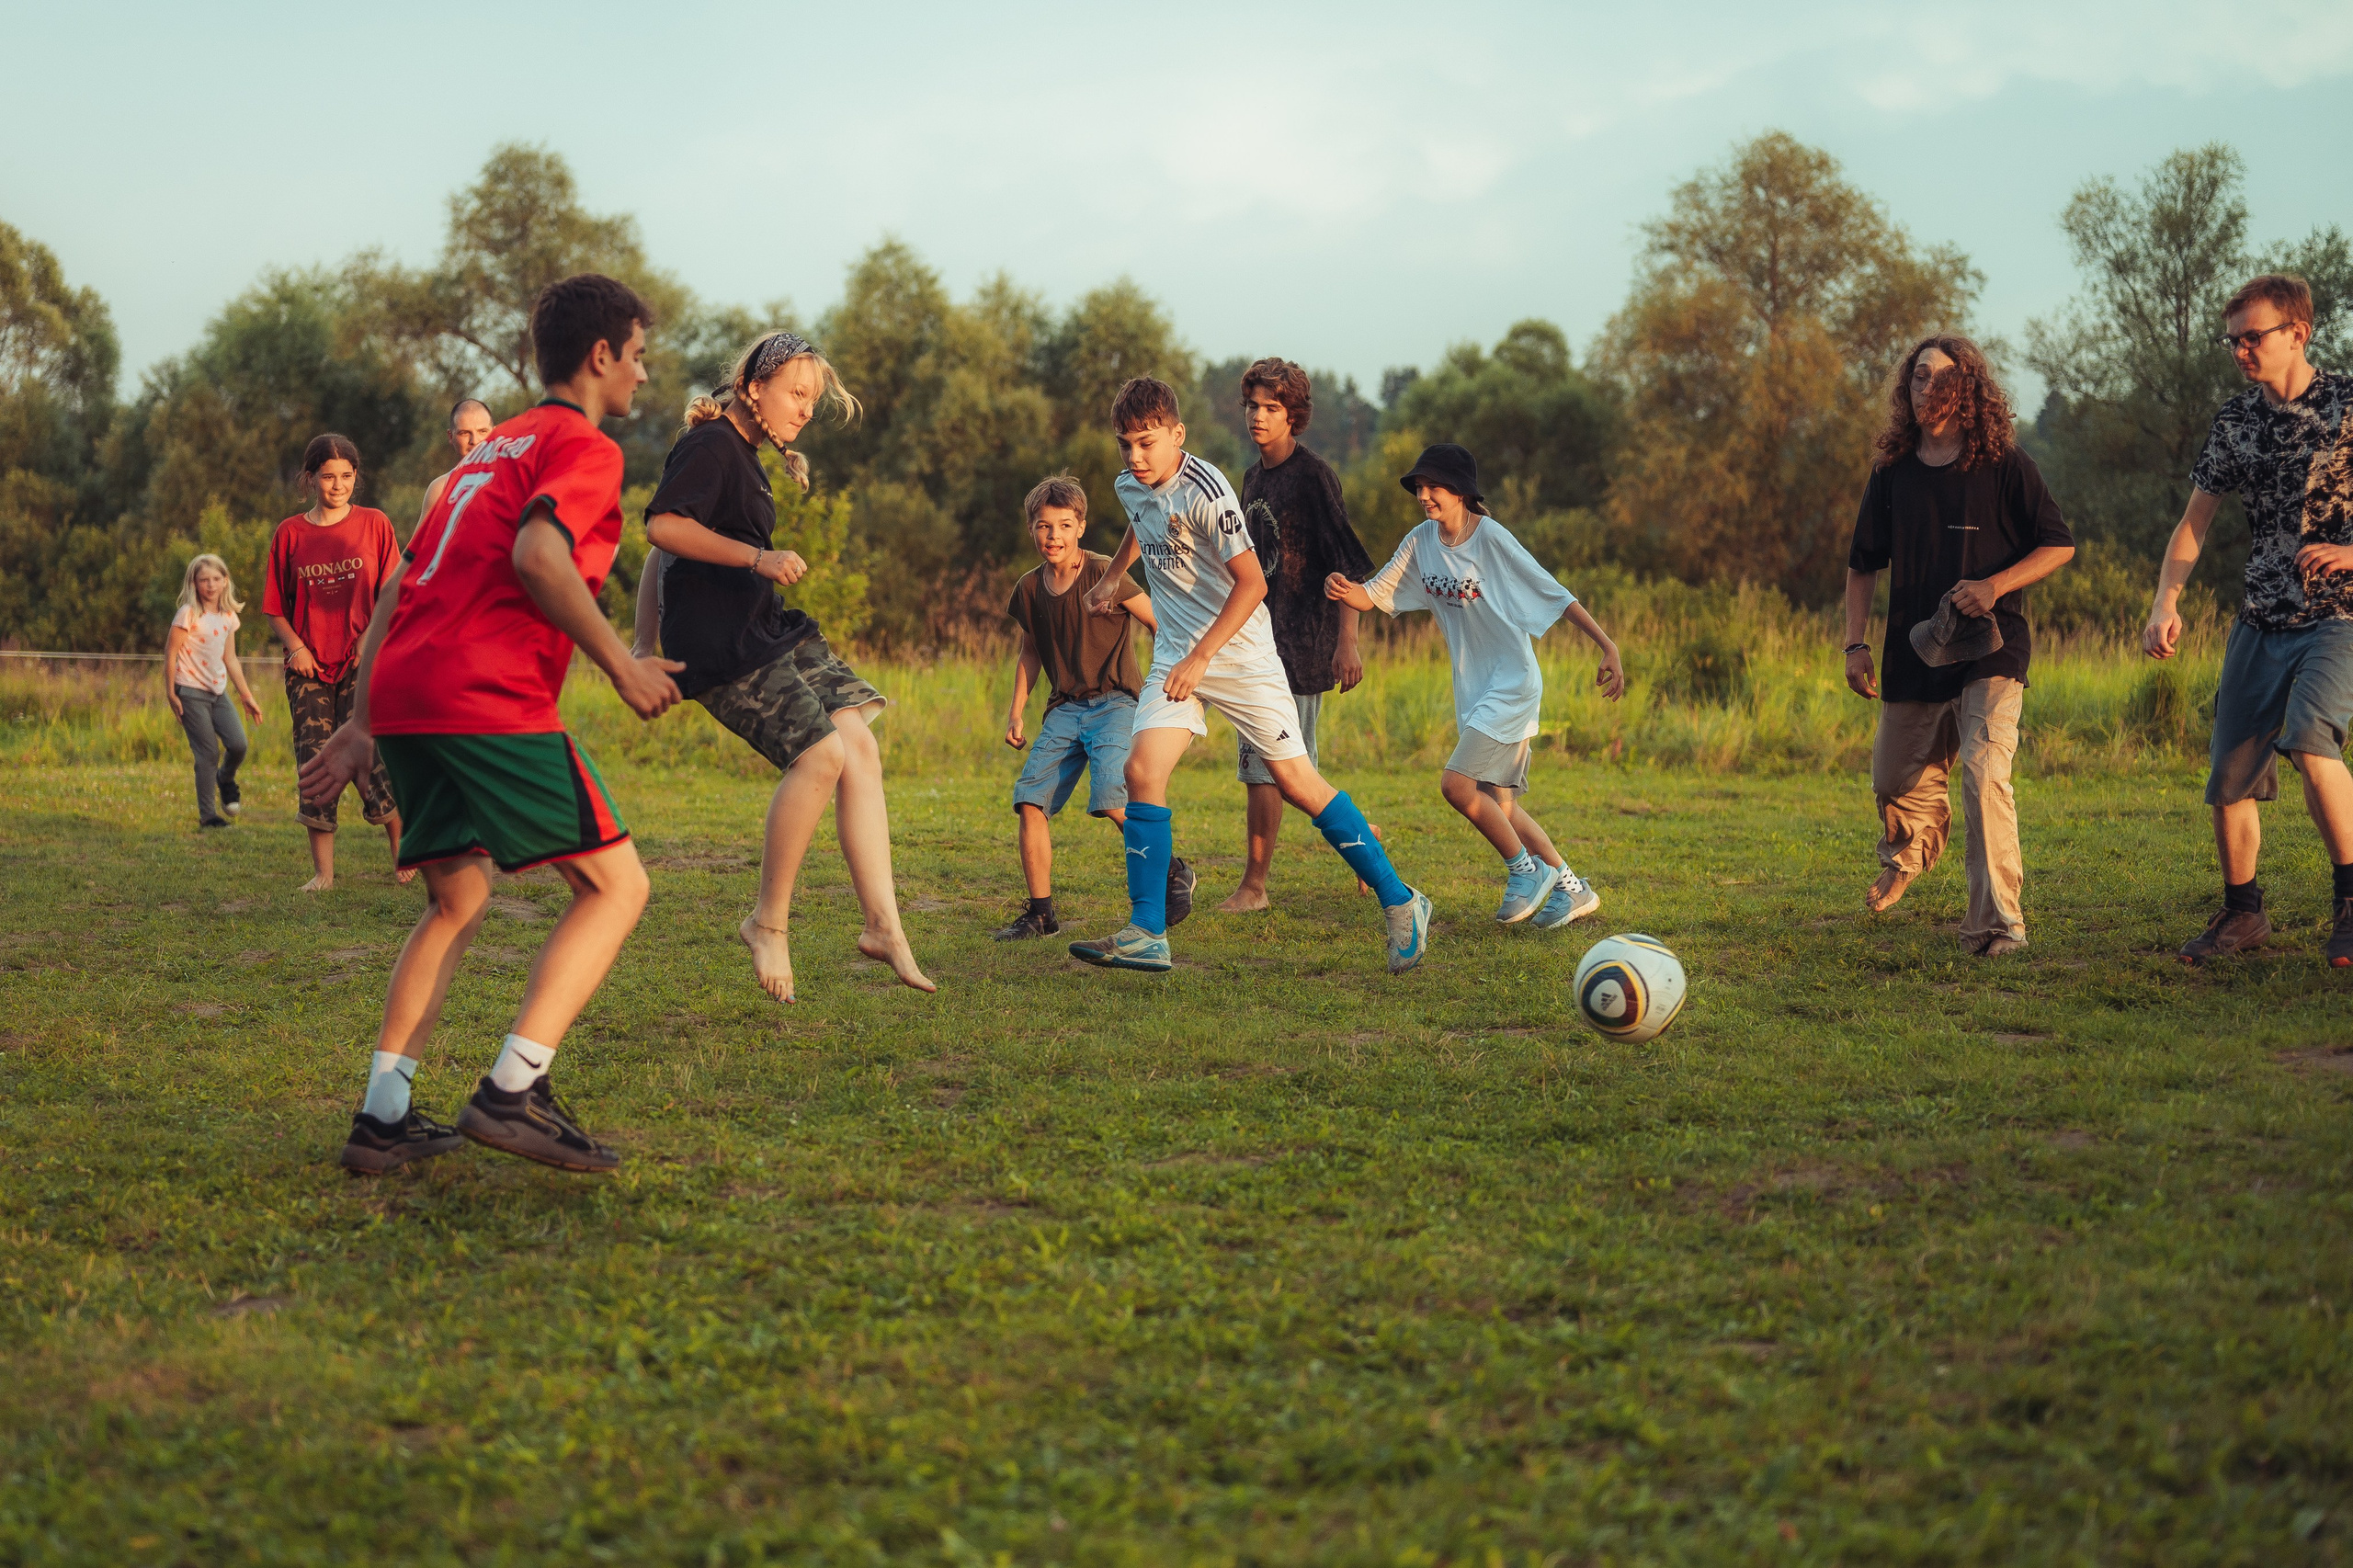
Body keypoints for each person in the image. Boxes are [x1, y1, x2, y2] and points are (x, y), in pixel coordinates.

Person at [304, 272, 686, 1176]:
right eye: (637, 357)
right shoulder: (585, 448)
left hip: (405, 691)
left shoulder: (491, 446)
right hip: (484, 694)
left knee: (458, 898)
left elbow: (402, 580)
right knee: (617, 886)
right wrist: (623, 663)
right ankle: (513, 1087)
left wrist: (362, 718)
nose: (642, 375)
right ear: (602, 356)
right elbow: (538, 553)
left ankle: (382, 1116)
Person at [1068, 376, 1431, 975]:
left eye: (1147, 442)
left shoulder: (1208, 490)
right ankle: (1147, 932)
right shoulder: (1130, 482)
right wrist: (1111, 580)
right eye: (1124, 444)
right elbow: (1141, 520)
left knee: (1297, 785)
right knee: (1141, 771)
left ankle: (1402, 901)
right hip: (1180, 653)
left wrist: (1201, 658)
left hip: (1240, 655)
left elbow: (1253, 584)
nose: (1134, 457)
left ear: (1177, 435)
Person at [631, 330, 935, 1003]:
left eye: (811, 400)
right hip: (722, 643)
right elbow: (663, 531)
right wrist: (651, 643)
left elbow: (668, 547)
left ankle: (884, 926)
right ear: (753, 385)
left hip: (765, 627)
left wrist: (643, 642)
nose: (804, 410)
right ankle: (766, 921)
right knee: (821, 756)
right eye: (796, 394)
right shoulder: (710, 444)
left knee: (859, 746)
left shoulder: (742, 452)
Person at [2143, 273, 2353, 967]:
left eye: (2252, 337)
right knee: (2230, 772)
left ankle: (2350, 902)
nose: (2239, 351)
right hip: (2261, 617)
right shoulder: (2235, 422)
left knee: (2310, 739)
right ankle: (2243, 915)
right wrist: (2165, 601)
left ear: (2299, 332)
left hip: (2340, 616)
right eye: (2232, 340)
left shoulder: (2350, 404)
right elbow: (2194, 522)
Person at [1842, 336, 2075, 957]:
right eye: (1918, 378)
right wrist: (1853, 644)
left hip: (1991, 649)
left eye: (1942, 379)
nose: (1927, 390)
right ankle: (1911, 851)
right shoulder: (1892, 473)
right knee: (1893, 778)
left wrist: (1995, 584)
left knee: (1983, 771)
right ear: (1906, 388)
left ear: (1968, 389)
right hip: (1914, 651)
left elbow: (2058, 545)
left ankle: (2000, 926)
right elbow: (1863, 563)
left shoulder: (2005, 465)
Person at [1325, 443, 1620, 930]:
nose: (1423, 495)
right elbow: (1372, 594)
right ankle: (1572, 887)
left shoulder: (1492, 540)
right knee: (1501, 803)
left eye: (1433, 486)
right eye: (1419, 487)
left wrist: (1606, 645)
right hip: (1475, 690)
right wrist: (1342, 588)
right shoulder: (1421, 541)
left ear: (1461, 491)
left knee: (1456, 786)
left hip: (1512, 685)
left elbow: (1553, 591)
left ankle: (1525, 872)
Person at [995, 472, 1194, 941]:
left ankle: (1172, 872)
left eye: (1064, 525)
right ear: (1031, 529)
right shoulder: (1027, 589)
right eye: (1044, 526)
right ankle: (1040, 914)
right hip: (1064, 708)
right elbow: (1030, 650)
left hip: (1115, 702)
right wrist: (1017, 711)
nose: (1054, 536)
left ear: (1080, 526)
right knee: (1030, 801)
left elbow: (1158, 623)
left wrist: (1165, 682)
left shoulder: (1106, 574)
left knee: (1112, 800)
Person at [1221, 358, 1381, 912]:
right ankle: (1364, 838)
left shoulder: (1314, 477)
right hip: (1257, 643)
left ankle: (1254, 888)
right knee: (1290, 773)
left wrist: (1347, 642)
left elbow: (1347, 565)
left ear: (1295, 416)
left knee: (1274, 770)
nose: (1258, 417)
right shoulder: (1251, 479)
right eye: (1252, 407)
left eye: (1271, 408)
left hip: (1303, 644)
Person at [264, 434, 405, 891]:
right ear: (310, 479)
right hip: (307, 667)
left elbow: (393, 591)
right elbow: (273, 608)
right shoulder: (290, 533)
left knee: (375, 754)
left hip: (363, 661)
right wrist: (296, 648)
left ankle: (405, 859)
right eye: (328, 477)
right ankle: (323, 873)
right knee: (315, 758)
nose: (338, 485)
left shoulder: (375, 524)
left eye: (346, 476)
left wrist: (368, 638)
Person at [164, 552, 264, 829]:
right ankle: (208, 816)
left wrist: (247, 697)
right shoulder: (188, 613)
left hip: (218, 692)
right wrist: (171, 693)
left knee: (238, 744)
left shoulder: (229, 617)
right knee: (207, 753)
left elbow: (230, 659)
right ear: (194, 583)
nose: (210, 585)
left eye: (216, 579)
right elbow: (170, 654)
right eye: (204, 579)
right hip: (190, 691)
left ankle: (226, 778)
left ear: (225, 581)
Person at [417, 397, 496, 521]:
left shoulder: (512, 482)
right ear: (450, 436)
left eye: (482, 431)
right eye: (464, 433)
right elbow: (422, 540)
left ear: (495, 433)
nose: (474, 441)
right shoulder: (440, 489)